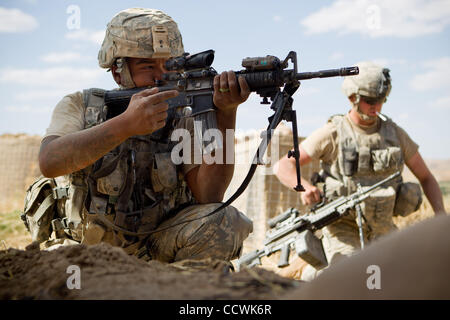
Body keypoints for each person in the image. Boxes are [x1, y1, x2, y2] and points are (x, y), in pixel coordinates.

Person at [30, 8, 253, 264]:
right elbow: (50, 162)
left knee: (224, 220)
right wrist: (126, 125)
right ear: (118, 71)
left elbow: (209, 196)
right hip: (84, 254)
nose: (160, 76)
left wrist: (226, 114)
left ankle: (176, 292)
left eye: (170, 64)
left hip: (154, 253)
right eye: (147, 66)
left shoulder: (183, 117)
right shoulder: (81, 105)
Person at [274, 61, 446, 280]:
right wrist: (305, 188)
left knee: (409, 281)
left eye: (380, 100)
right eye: (368, 101)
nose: (375, 106)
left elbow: (426, 178)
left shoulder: (394, 134)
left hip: (384, 232)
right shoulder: (333, 133)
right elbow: (283, 165)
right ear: (352, 98)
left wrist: (442, 221)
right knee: (352, 282)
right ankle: (312, 273)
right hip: (344, 232)